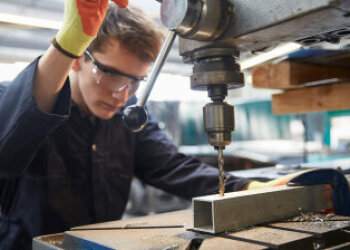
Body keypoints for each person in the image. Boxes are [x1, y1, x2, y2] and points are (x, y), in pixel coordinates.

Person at [0, 1, 251, 249]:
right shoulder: (19, 104)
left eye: (135, 81)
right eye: (110, 74)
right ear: (78, 59)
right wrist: (66, 46)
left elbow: (171, 167)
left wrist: (244, 187)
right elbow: (7, 147)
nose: (122, 95)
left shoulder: (129, 114)